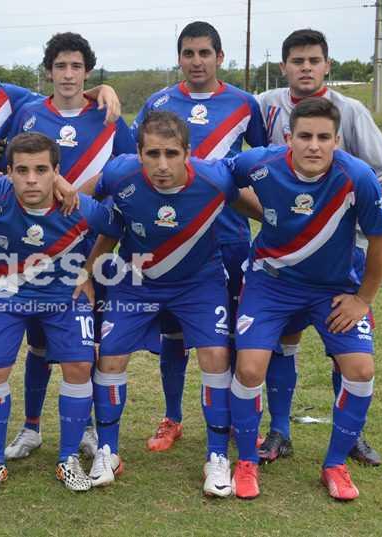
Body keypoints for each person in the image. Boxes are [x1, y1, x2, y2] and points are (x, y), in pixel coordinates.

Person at [0, 132, 124, 494]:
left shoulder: (79, 206)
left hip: (64, 295)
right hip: (6, 294)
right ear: (8, 172)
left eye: (41, 170)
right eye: (22, 170)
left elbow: (115, 228)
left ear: (56, 173)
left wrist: (88, 270)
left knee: (79, 367)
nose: (32, 179)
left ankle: (68, 458)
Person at [80, 110, 261, 496]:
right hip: (136, 283)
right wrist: (85, 271)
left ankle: (216, 456)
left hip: (199, 283)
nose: (162, 165)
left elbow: (258, 210)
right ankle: (108, 451)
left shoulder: (216, 179)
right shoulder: (119, 173)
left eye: (172, 154)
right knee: (109, 358)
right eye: (153, 154)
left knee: (216, 357)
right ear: (139, 154)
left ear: (188, 154)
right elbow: (76, 201)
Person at [227, 97, 382, 501]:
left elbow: (380, 241)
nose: (313, 145)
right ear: (289, 138)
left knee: (361, 369)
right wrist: (260, 211)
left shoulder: (358, 177)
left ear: (337, 140)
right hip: (271, 283)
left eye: (323, 137)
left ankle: (334, 464)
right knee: (249, 369)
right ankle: (246, 461)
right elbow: (220, 180)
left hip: (332, 289)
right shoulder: (260, 163)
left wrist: (363, 299)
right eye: (304, 136)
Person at [256, 29, 382, 466]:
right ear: (283, 66)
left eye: (313, 60)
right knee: (283, 337)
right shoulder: (264, 106)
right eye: (297, 60)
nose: (306, 68)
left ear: (327, 65)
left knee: (346, 333)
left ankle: (350, 435)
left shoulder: (350, 110)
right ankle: (279, 431)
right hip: (285, 251)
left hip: (343, 250)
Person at [129, 21, 267, 454]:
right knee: (174, 334)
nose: (196, 61)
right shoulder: (158, 103)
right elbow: (134, 158)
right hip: (172, 240)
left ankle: (235, 418)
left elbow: (263, 163)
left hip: (229, 237)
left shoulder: (245, 104)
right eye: (188, 53)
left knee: (232, 333)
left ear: (220, 57)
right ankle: (172, 417)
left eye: (205, 52)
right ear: (179, 58)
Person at [1, 31, 136, 462]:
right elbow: (6, 169)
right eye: (60, 66)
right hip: (38, 245)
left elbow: (127, 172)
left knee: (86, 341)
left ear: (88, 72)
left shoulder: (108, 115)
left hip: (93, 244)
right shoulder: (28, 113)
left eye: (76, 66)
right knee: (39, 343)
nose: (68, 74)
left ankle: (88, 428)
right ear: (48, 71)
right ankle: (31, 428)